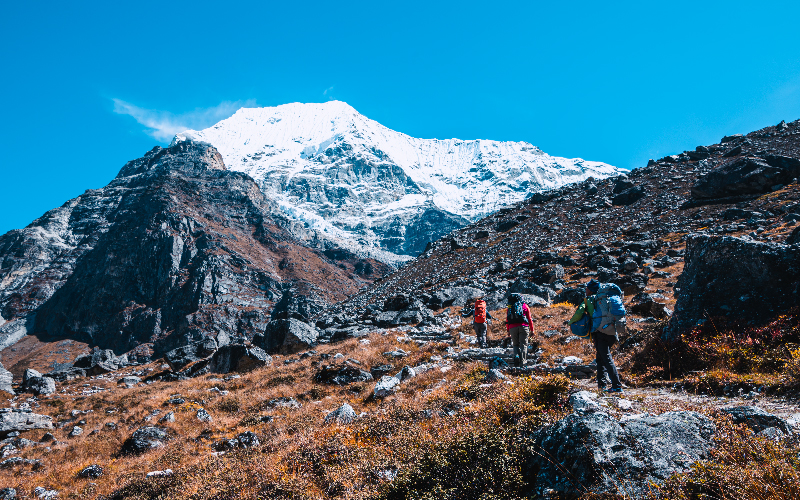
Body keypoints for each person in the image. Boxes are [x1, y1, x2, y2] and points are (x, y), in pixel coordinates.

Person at [586, 279, 624, 393]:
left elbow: (584, 313)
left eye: (587, 288)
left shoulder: (593, 299)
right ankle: (601, 385)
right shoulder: (607, 299)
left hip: (601, 332)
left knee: (606, 358)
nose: (585, 290)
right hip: (613, 331)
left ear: (590, 289)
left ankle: (617, 386)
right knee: (600, 358)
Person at [506, 293, 534, 367]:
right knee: (523, 345)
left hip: (512, 328)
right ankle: (523, 363)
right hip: (523, 326)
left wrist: (508, 330)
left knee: (515, 344)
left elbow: (507, 319)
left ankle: (516, 356)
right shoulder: (525, 306)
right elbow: (529, 319)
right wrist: (532, 330)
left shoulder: (510, 307)